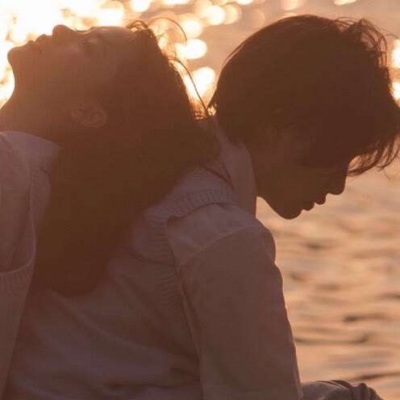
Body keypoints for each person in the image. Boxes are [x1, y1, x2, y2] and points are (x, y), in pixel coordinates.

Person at [0, 15, 398, 400]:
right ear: (281, 128)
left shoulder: (130, 160)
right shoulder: (223, 237)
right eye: (338, 157)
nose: (338, 184)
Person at [0, 22, 215, 398]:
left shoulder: (11, 171)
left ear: (87, 111)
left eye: (89, 47)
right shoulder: (34, 173)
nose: (61, 27)